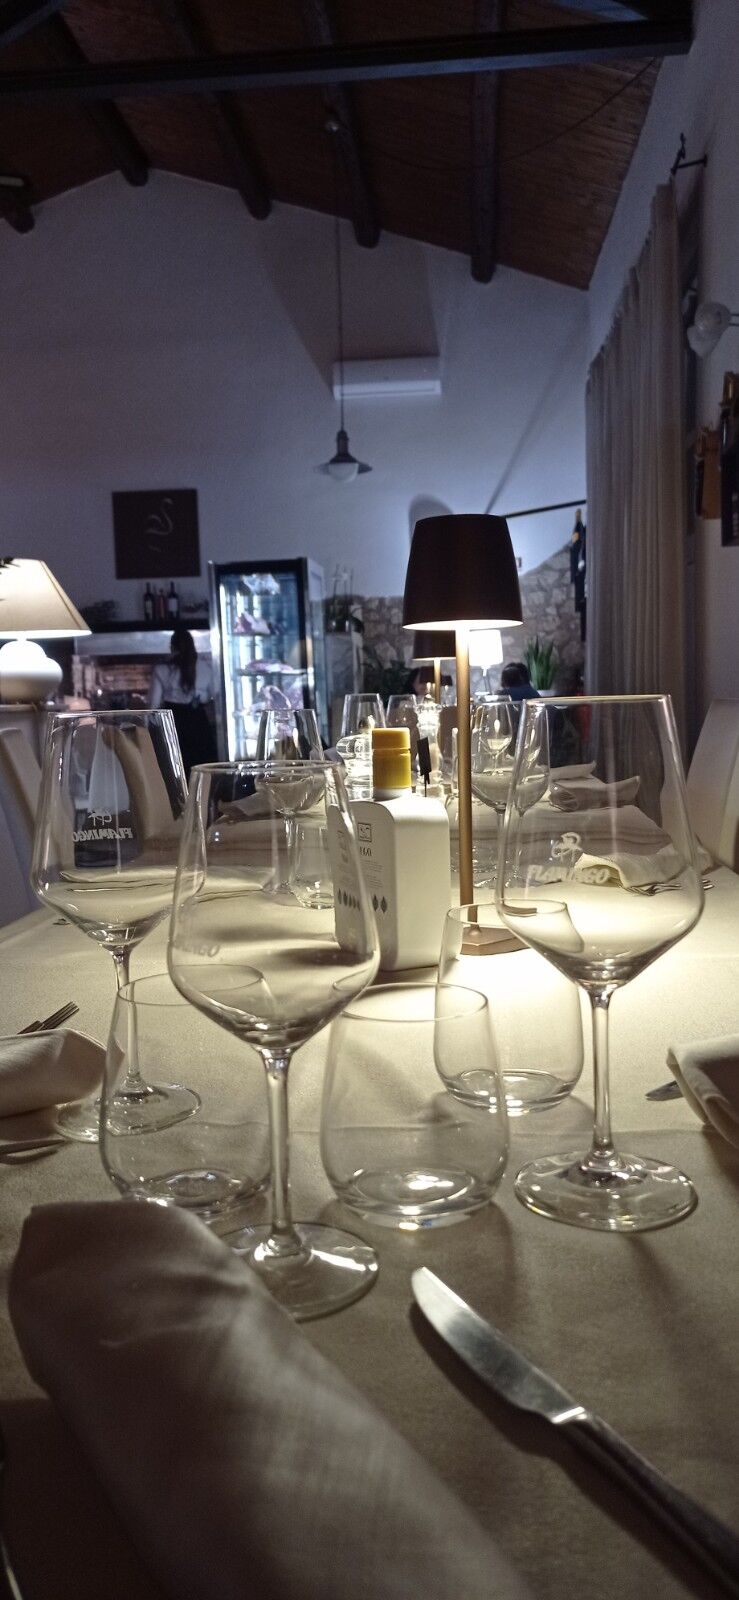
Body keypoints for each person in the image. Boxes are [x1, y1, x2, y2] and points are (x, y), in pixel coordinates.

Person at [150, 624, 218, 777]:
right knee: (202, 767)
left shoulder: (162, 670)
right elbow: (214, 695)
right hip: (198, 719)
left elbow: (153, 704)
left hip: (174, 720)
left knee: (177, 767)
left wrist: (151, 727)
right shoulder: (206, 667)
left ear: (172, 647)